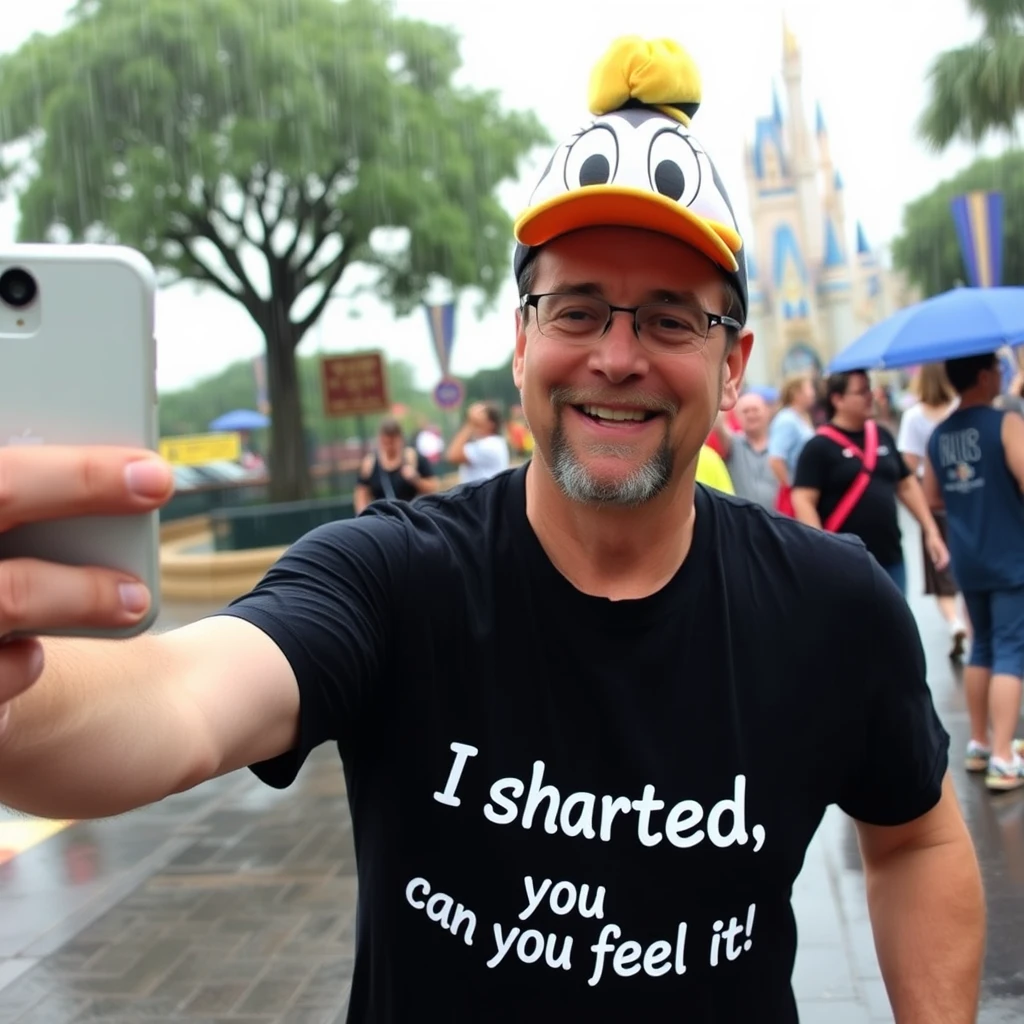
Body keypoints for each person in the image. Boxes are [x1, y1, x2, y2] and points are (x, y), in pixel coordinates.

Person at [0, 35, 983, 1024]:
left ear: (735, 365)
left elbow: (916, 836)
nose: (615, 354)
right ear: (520, 343)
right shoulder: (391, 578)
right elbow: (173, 704)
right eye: (576, 308)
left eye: (671, 319)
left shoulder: (831, 604)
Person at [924, 352, 1024, 792]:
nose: (1003, 375)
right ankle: (1005, 757)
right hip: (1010, 554)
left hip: (969, 557)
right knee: (1011, 650)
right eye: (999, 369)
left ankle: (981, 743)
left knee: (982, 645)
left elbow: (934, 497)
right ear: (984, 375)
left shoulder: (939, 434)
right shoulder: (1005, 424)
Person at [791, 370, 949, 596]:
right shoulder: (818, 447)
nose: (870, 396)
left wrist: (931, 530)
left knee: (896, 628)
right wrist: (821, 551)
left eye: (869, 389)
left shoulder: (882, 435)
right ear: (838, 399)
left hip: (891, 558)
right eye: (861, 391)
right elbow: (803, 499)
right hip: (843, 564)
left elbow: (906, 485)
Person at [896, 363, 969, 657]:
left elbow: (908, 467)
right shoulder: (960, 408)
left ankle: (954, 621)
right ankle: (967, 619)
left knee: (942, 575)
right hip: (964, 495)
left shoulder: (914, 416)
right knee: (967, 568)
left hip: (932, 498)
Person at [353, 417, 439, 514]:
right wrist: (363, 515)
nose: (389, 447)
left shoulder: (413, 458)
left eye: (392, 442)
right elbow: (361, 493)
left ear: (400, 439)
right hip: (381, 517)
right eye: (385, 443)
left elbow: (433, 487)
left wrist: (416, 479)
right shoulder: (370, 463)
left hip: (411, 515)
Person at [711, 392, 778, 509]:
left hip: (779, 520)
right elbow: (718, 422)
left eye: (755, 410)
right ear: (737, 417)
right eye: (745, 411)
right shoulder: (733, 444)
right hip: (743, 520)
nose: (751, 415)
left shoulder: (780, 445)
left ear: (767, 412)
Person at [767, 372, 816, 515]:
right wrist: (790, 487)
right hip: (795, 493)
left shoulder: (801, 417)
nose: (813, 393)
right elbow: (775, 459)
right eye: (809, 388)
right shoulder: (787, 420)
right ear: (797, 393)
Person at [446, 400, 511, 484]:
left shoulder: (490, 444)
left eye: (481, 413)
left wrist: (470, 423)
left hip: (485, 495)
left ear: (491, 424)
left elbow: (453, 456)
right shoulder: (494, 443)